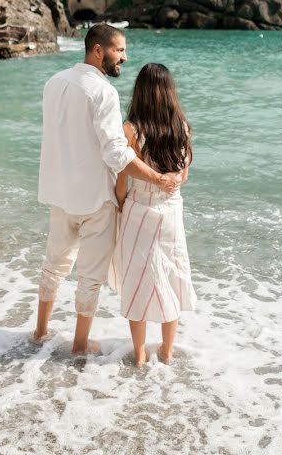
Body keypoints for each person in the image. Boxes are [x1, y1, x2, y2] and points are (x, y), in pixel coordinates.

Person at [34, 24, 181, 355]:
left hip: (59, 192)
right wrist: (158, 180)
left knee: (53, 264)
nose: (125, 58)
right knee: (89, 277)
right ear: (97, 50)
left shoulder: (53, 83)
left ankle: (40, 331)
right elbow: (117, 154)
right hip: (95, 199)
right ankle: (80, 345)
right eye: (119, 50)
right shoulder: (103, 92)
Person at [111, 63, 196, 366]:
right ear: (170, 92)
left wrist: (120, 204)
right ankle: (168, 352)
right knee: (170, 278)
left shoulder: (130, 130)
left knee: (138, 281)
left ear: (140, 92)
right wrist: (169, 183)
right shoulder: (183, 128)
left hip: (140, 210)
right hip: (172, 210)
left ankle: (139, 356)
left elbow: (123, 177)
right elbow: (182, 175)